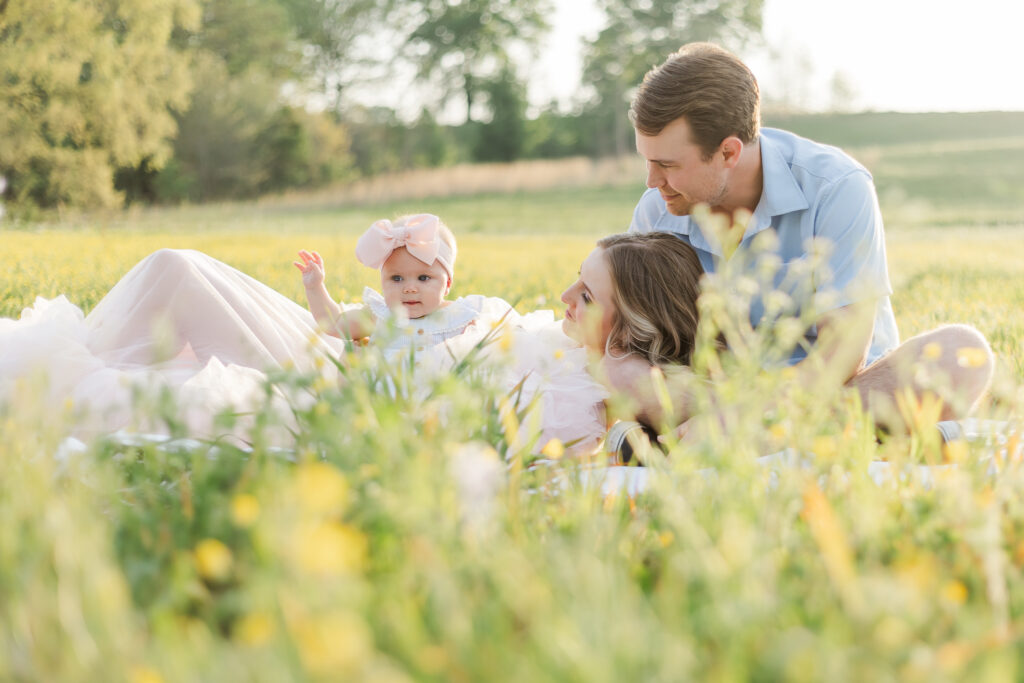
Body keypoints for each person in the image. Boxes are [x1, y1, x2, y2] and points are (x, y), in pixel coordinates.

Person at [609, 41, 994, 433]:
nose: (652, 181)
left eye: (667, 165)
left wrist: (750, 415)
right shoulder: (658, 208)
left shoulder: (836, 187)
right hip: (718, 393)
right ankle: (796, 436)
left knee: (961, 354)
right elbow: (631, 335)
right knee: (615, 366)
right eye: (647, 160)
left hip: (837, 388)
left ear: (728, 152)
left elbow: (842, 354)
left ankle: (736, 436)